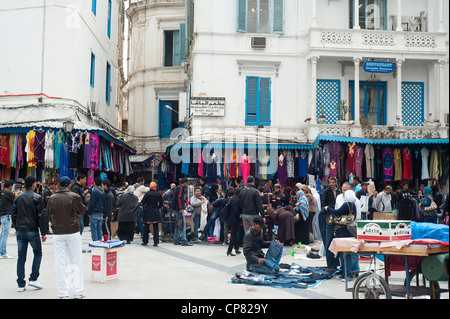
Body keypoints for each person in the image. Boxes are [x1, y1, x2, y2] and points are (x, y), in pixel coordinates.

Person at [46, 176, 86, 299]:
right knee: (76, 261)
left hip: (58, 232)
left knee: (60, 262)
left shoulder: (51, 198)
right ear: (69, 185)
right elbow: (82, 211)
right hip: (73, 231)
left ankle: (63, 293)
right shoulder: (74, 196)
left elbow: (47, 214)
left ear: (59, 184)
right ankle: (78, 291)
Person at [11, 176, 48, 292]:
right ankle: (33, 278)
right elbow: (41, 216)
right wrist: (44, 232)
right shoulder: (37, 197)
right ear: (33, 185)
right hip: (32, 230)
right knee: (37, 253)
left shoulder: (18, 197)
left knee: (21, 257)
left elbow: (14, 214)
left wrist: (17, 227)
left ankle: (21, 284)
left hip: (21, 230)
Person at [324, 190, 359, 281]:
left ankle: (348, 275)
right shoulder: (353, 205)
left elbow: (336, 212)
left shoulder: (346, 205)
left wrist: (328, 208)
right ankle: (344, 273)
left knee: (345, 253)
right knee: (345, 253)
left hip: (343, 230)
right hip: (347, 230)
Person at [319, 177, 341, 270]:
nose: (331, 184)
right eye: (330, 182)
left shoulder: (339, 191)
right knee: (328, 241)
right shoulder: (326, 191)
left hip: (336, 216)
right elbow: (324, 205)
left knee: (336, 241)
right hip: (329, 216)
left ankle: (336, 263)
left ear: (336, 183)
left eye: (333, 182)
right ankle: (331, 264)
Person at [141, 182, 163, 246]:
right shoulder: (158, 194)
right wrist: (157, 207)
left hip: (148, 211)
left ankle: (145, 241)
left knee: (146, 227)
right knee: (155, 227)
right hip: (155, 211)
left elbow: (143, 202)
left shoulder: (147, 194)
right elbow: (161, 203)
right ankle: (156, 242)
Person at [171, 178, 192, 246]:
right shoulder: (180, 188)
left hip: (177, 208)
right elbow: (179, 198)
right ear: (184, 183)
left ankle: (176, 240)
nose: (187, 184)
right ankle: (184, 240)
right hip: (179, 209)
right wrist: (181, 208)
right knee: (183, 225)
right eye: (186, 183)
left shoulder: (177, 188)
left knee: (178, 225)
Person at [224, 188, 242, 256]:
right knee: (233, 234)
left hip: (229, 219)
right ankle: (229, 250)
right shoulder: (238, 200)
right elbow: (237, 210)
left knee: (233, 233)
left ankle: (236, 248)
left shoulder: (232, 198)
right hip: (235, 219)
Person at [87, 177, 105, 242]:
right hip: (101, 212)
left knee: (94, 229)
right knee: (99, 229)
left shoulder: (94, 192)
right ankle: (100, 243)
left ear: (94, 183)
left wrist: (89, 212)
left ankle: (95, 244)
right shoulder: (103, 192)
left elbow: (92, 203)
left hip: (94, 212)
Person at [0, 180, 15, 259]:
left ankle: (1, 251)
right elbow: (16, 200)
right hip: (7, 216)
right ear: (10, 186)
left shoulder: (2, 192)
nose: (12, 188)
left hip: (2, 215)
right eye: (12, 186)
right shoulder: (8, 193)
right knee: (5, 234)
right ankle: (3, 253)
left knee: (2, 234)